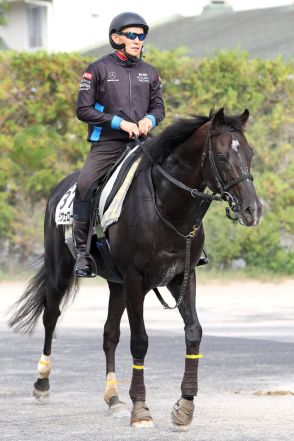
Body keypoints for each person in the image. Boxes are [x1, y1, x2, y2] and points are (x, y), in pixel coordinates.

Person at [73, 12, 165, 277]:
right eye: (132, 35)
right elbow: (83, 110)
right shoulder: (97, 68)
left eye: (142, 36)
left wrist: (150, 119)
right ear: (116, 38)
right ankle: (83, 254)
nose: (138, 41)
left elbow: (159, 107)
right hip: (108, 143)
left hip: (144, 142)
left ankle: (189, 247)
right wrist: (119, 123)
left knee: (176, 173)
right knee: (85, 184)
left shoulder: (150, 72)